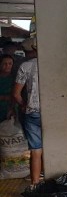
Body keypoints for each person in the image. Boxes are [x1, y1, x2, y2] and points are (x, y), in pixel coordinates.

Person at [13, 37, 41, 185]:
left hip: (32, 112)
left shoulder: (25, 66)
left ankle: (35, 184)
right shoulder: (54, 63)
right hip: (53, 113)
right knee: (53, 146)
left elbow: (16, 94)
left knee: (36, 150)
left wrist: (24, 105)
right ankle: (52, 180)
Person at [0, 55, 15, 121]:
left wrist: (11, 109)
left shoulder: (16, 79)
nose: (7, 66)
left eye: (10, 64)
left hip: (10, 110)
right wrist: (5, 97)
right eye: (4, 64)